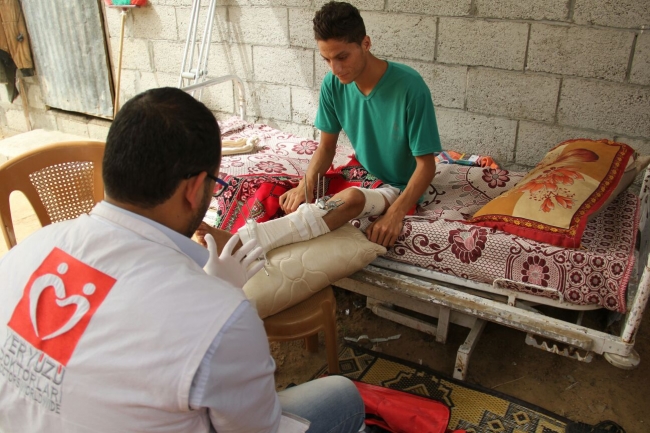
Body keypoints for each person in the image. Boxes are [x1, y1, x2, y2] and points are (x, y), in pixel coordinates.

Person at [0, 87, 364, 433]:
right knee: (342, 397)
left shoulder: (22, 257)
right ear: (193, 190)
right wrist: (218, 301)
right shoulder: (224, 320)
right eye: (214, 186)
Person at [211, 1, 441, 255]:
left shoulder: (410, 87)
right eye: (327, 59)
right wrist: (304, 187)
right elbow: (326, 148)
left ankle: (245, 243)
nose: (336, 69)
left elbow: (426, 165)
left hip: (398, 187)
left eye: (342, 57)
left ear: (366, 43)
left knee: (349, 200)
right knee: (272, 190)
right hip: (362, 174)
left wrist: (396, 214)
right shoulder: (333, 84)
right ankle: (236, 236)